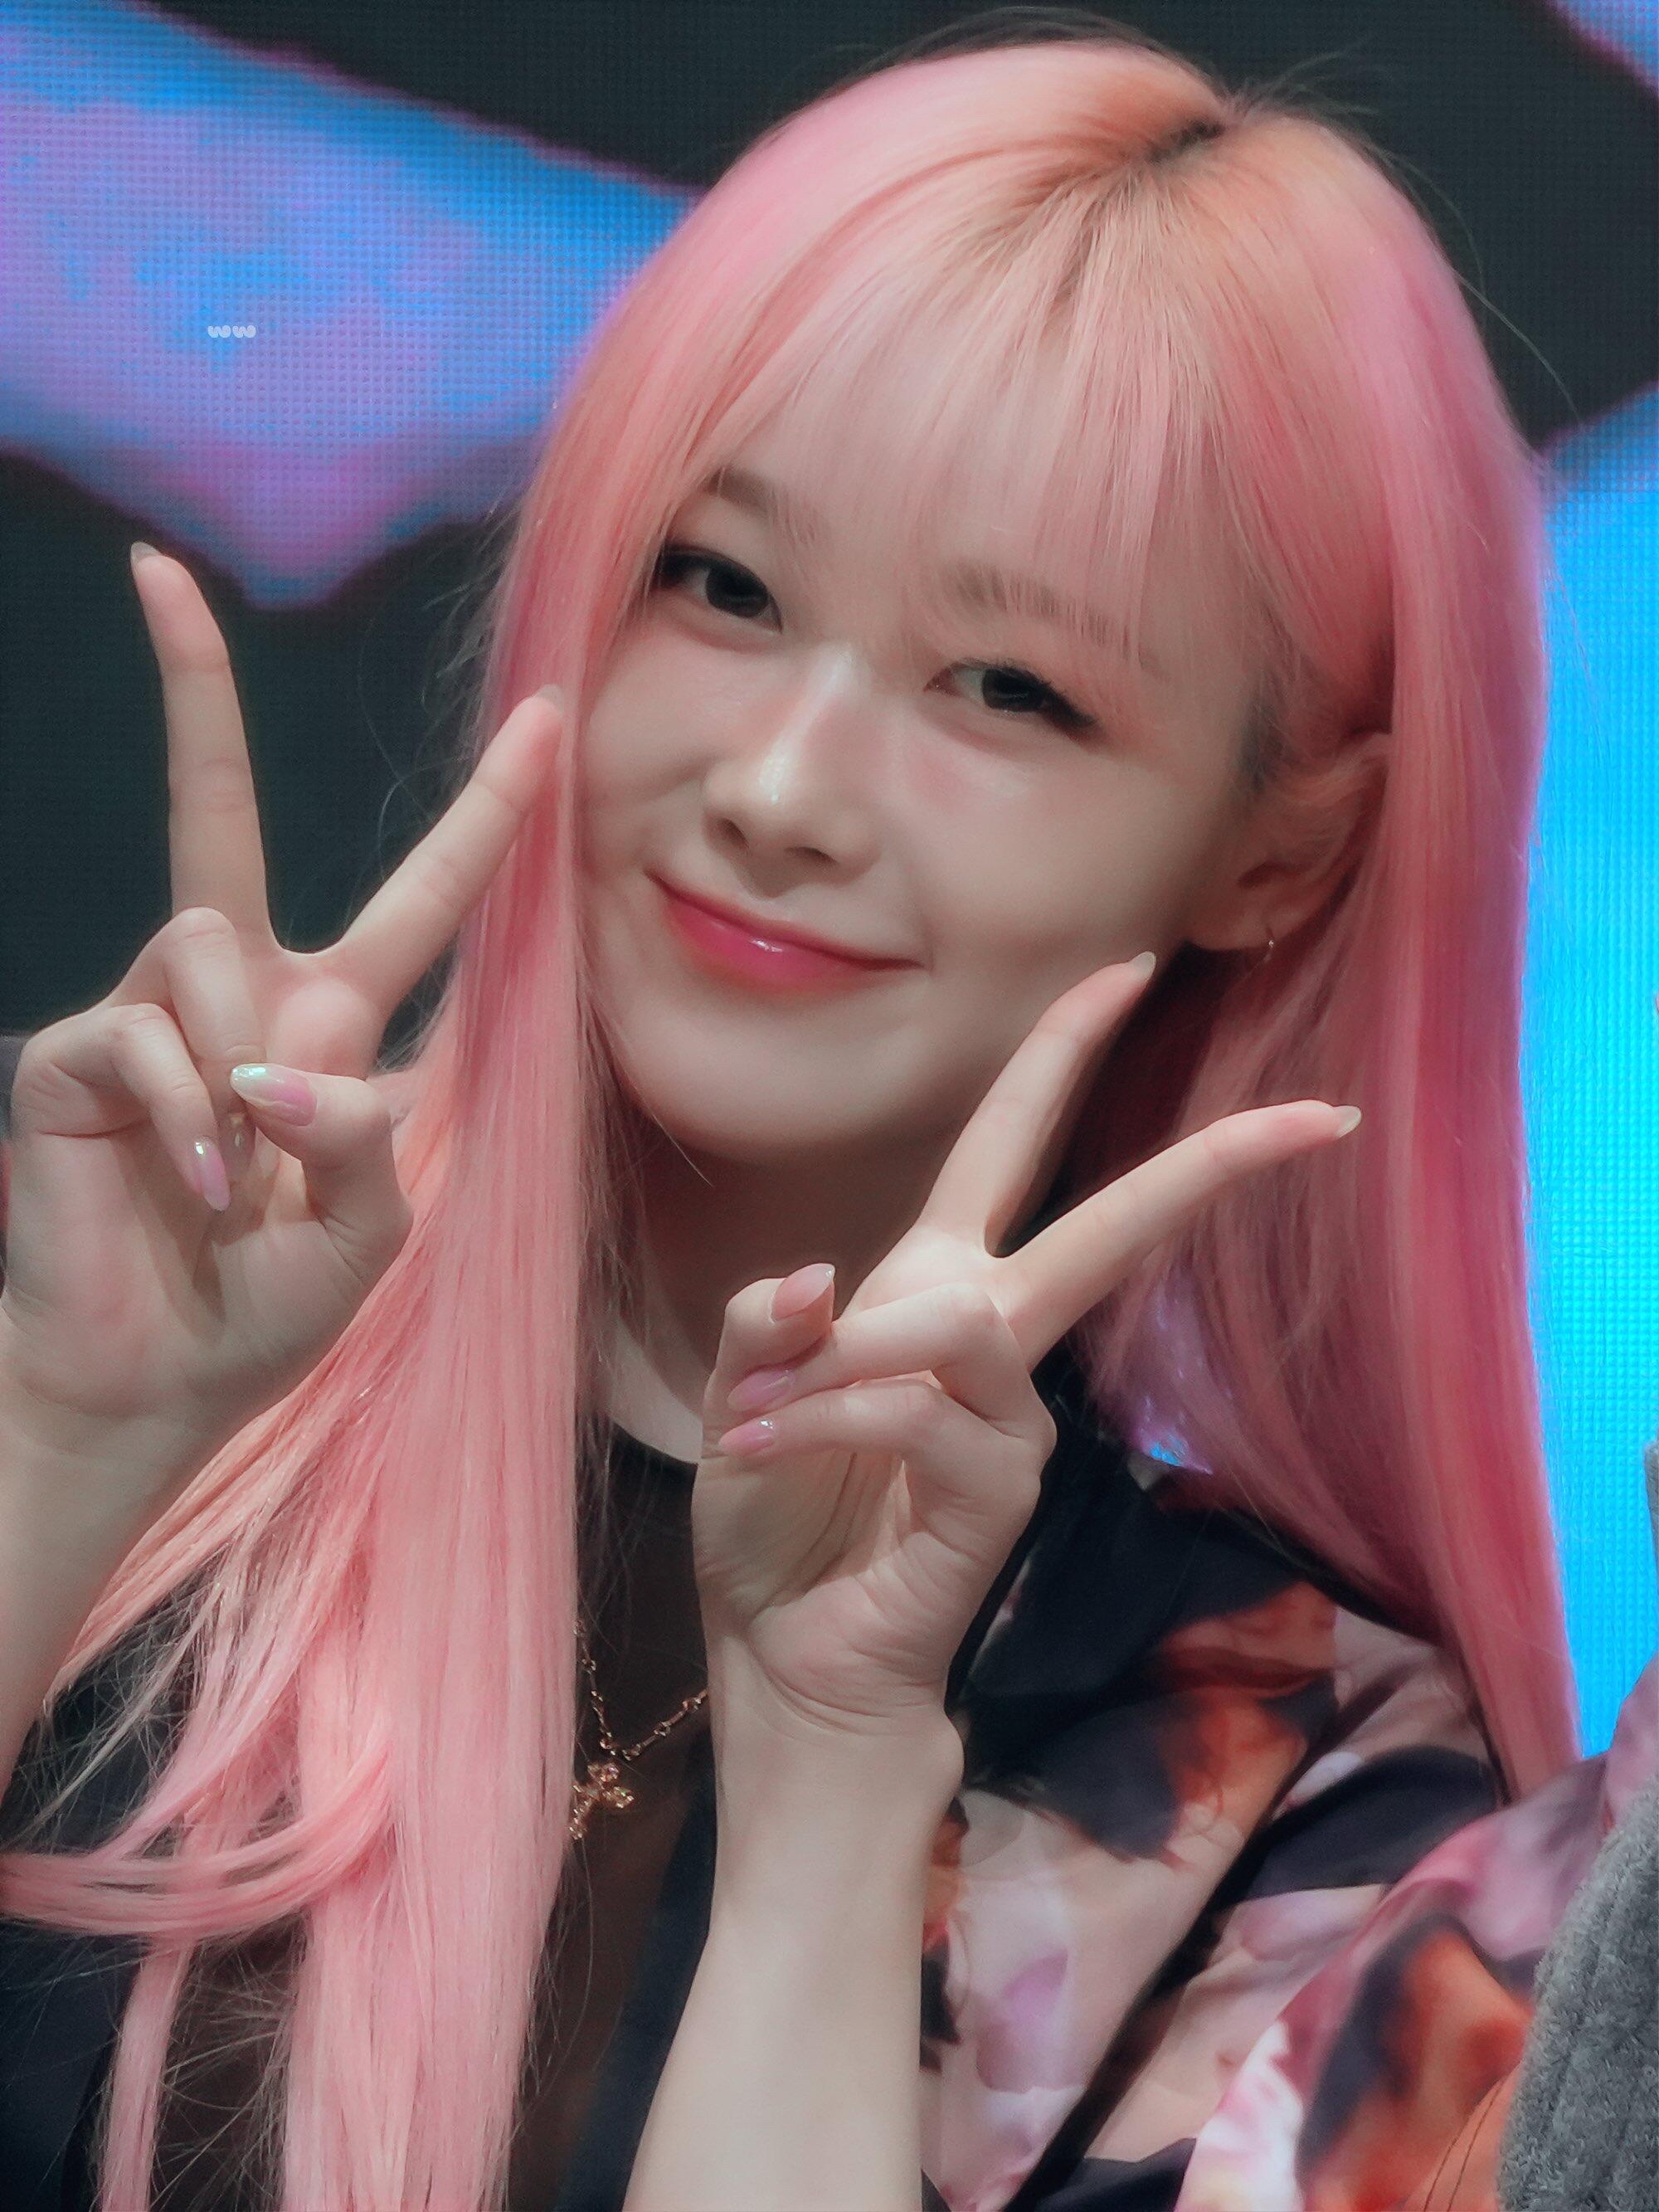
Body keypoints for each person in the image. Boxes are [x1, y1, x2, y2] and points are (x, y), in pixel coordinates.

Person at [0, 22, 1649, 2212]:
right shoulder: (99, 1309)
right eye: (723, 582)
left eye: (1011, 688)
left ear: (1280, 846)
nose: (779, 794)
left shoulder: (1325, 1816)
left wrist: (836, 1785)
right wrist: (64, 1449)